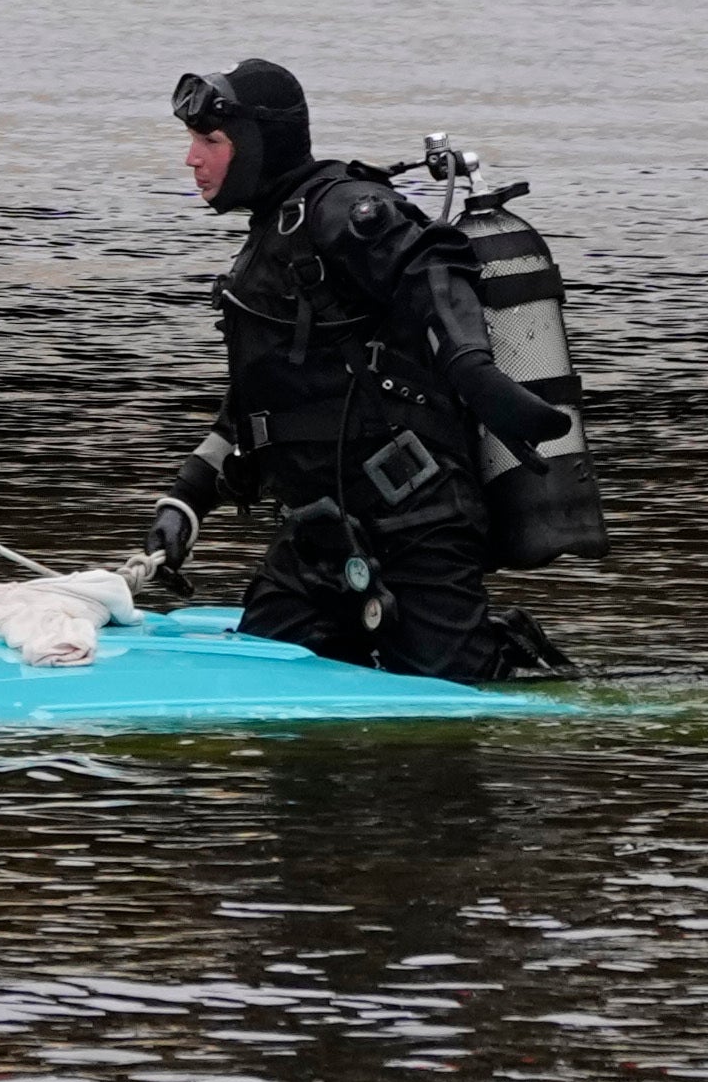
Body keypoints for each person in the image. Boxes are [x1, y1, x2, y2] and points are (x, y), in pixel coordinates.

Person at [153, 60, 586, 688]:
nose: (192, 159)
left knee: (453, 701)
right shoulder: (271, 238)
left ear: (259, 145)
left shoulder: (348, 209)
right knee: (262, 698)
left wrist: (473, 370)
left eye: (211, 142)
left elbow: (435, 265)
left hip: (417, 523)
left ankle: (502, 654)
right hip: (316, 534)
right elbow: (265, 401)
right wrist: (187, 498)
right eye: (194, 141)